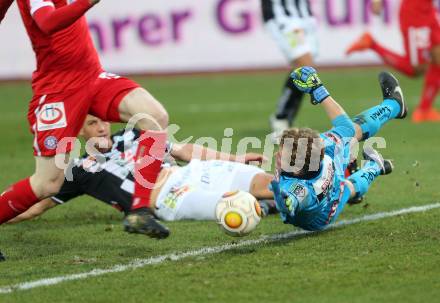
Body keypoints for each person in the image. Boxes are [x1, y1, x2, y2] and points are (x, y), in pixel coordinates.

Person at [0, 0, 171, 239]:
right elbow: (47, 22)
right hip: (59, 89)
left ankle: (139, 210)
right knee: (47, 184)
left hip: (93, 76)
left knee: (155, 117)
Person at [8, 115, 275, 224]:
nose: (101, 128)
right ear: (79, 131)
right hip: (169, 198)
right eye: (91, 124)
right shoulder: (79, 170)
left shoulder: (132, 134)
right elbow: (35, 206)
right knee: (239, 207)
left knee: (269, 182)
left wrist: (236, 157)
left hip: (187, 172)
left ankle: (310, 196)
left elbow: (183, 151)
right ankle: (272, 206)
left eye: (102, 121)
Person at [271, 67, 406, 231]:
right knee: (353, 132)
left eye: (282, 157)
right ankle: (394, 105)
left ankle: (375, 166)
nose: (277, 155)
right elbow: (346, 127)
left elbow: (293, 200)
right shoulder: (323, 147)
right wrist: (317, 88)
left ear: (297, 170)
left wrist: (283, 201)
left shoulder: (302, 188)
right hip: (332, 172)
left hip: (321, 217)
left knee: (347, 187)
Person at [346, 0, 440, 123]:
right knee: (416, 69)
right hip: (415, 12)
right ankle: (372, 44)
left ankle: (424, 110)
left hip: (429, 10)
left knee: (438, 58)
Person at [261, 0, 318, 141]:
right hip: (283, 15)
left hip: (304, 15)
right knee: (305, 64)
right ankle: (281, 119)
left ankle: (285, 120)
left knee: (306, 68)